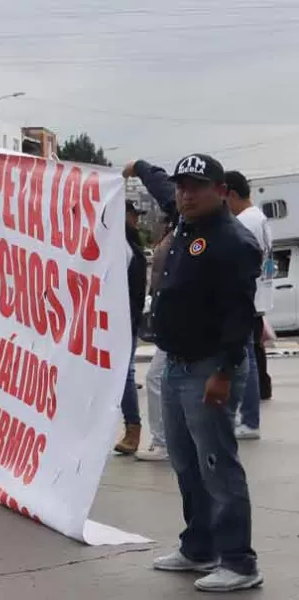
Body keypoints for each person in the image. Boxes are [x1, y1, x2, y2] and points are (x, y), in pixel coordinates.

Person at [149, 153, 262, 592]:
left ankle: (239, 561)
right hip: (177, 366)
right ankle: (199, 547)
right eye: (181, 186)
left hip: (209, 367)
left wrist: (225, 371)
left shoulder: (231, 241)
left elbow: (239, 315)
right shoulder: (186, 226)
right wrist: (139, 167)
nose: (185, 193)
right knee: (186, 464)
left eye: (196, 186)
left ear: (221, 191)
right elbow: (160, 186)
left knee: (218, 467)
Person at [124, 159, 180, 462]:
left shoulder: (190, 224)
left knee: (158, 378)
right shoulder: (179, 225)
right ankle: (169, 439)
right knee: (164, 380)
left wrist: (142, 168)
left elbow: (165, 191)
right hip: (170, 321)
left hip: (181, 323)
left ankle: (163, 441)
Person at [225, 171, 271, 440]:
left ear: (231, 194)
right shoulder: (260, 218)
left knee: (247, 360)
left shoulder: (244, 222)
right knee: (250, 358)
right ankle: (248, 418)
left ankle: (249, 420)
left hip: (246, 298)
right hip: (258, 296)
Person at [115, 200, 148, 454]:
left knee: (123, 376)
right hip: (124, 318)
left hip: (123, 319)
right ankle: (131, 428)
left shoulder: (125, 247)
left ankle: (133, 428)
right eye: (133, 214)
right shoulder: (128, 244)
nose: (136, 219)